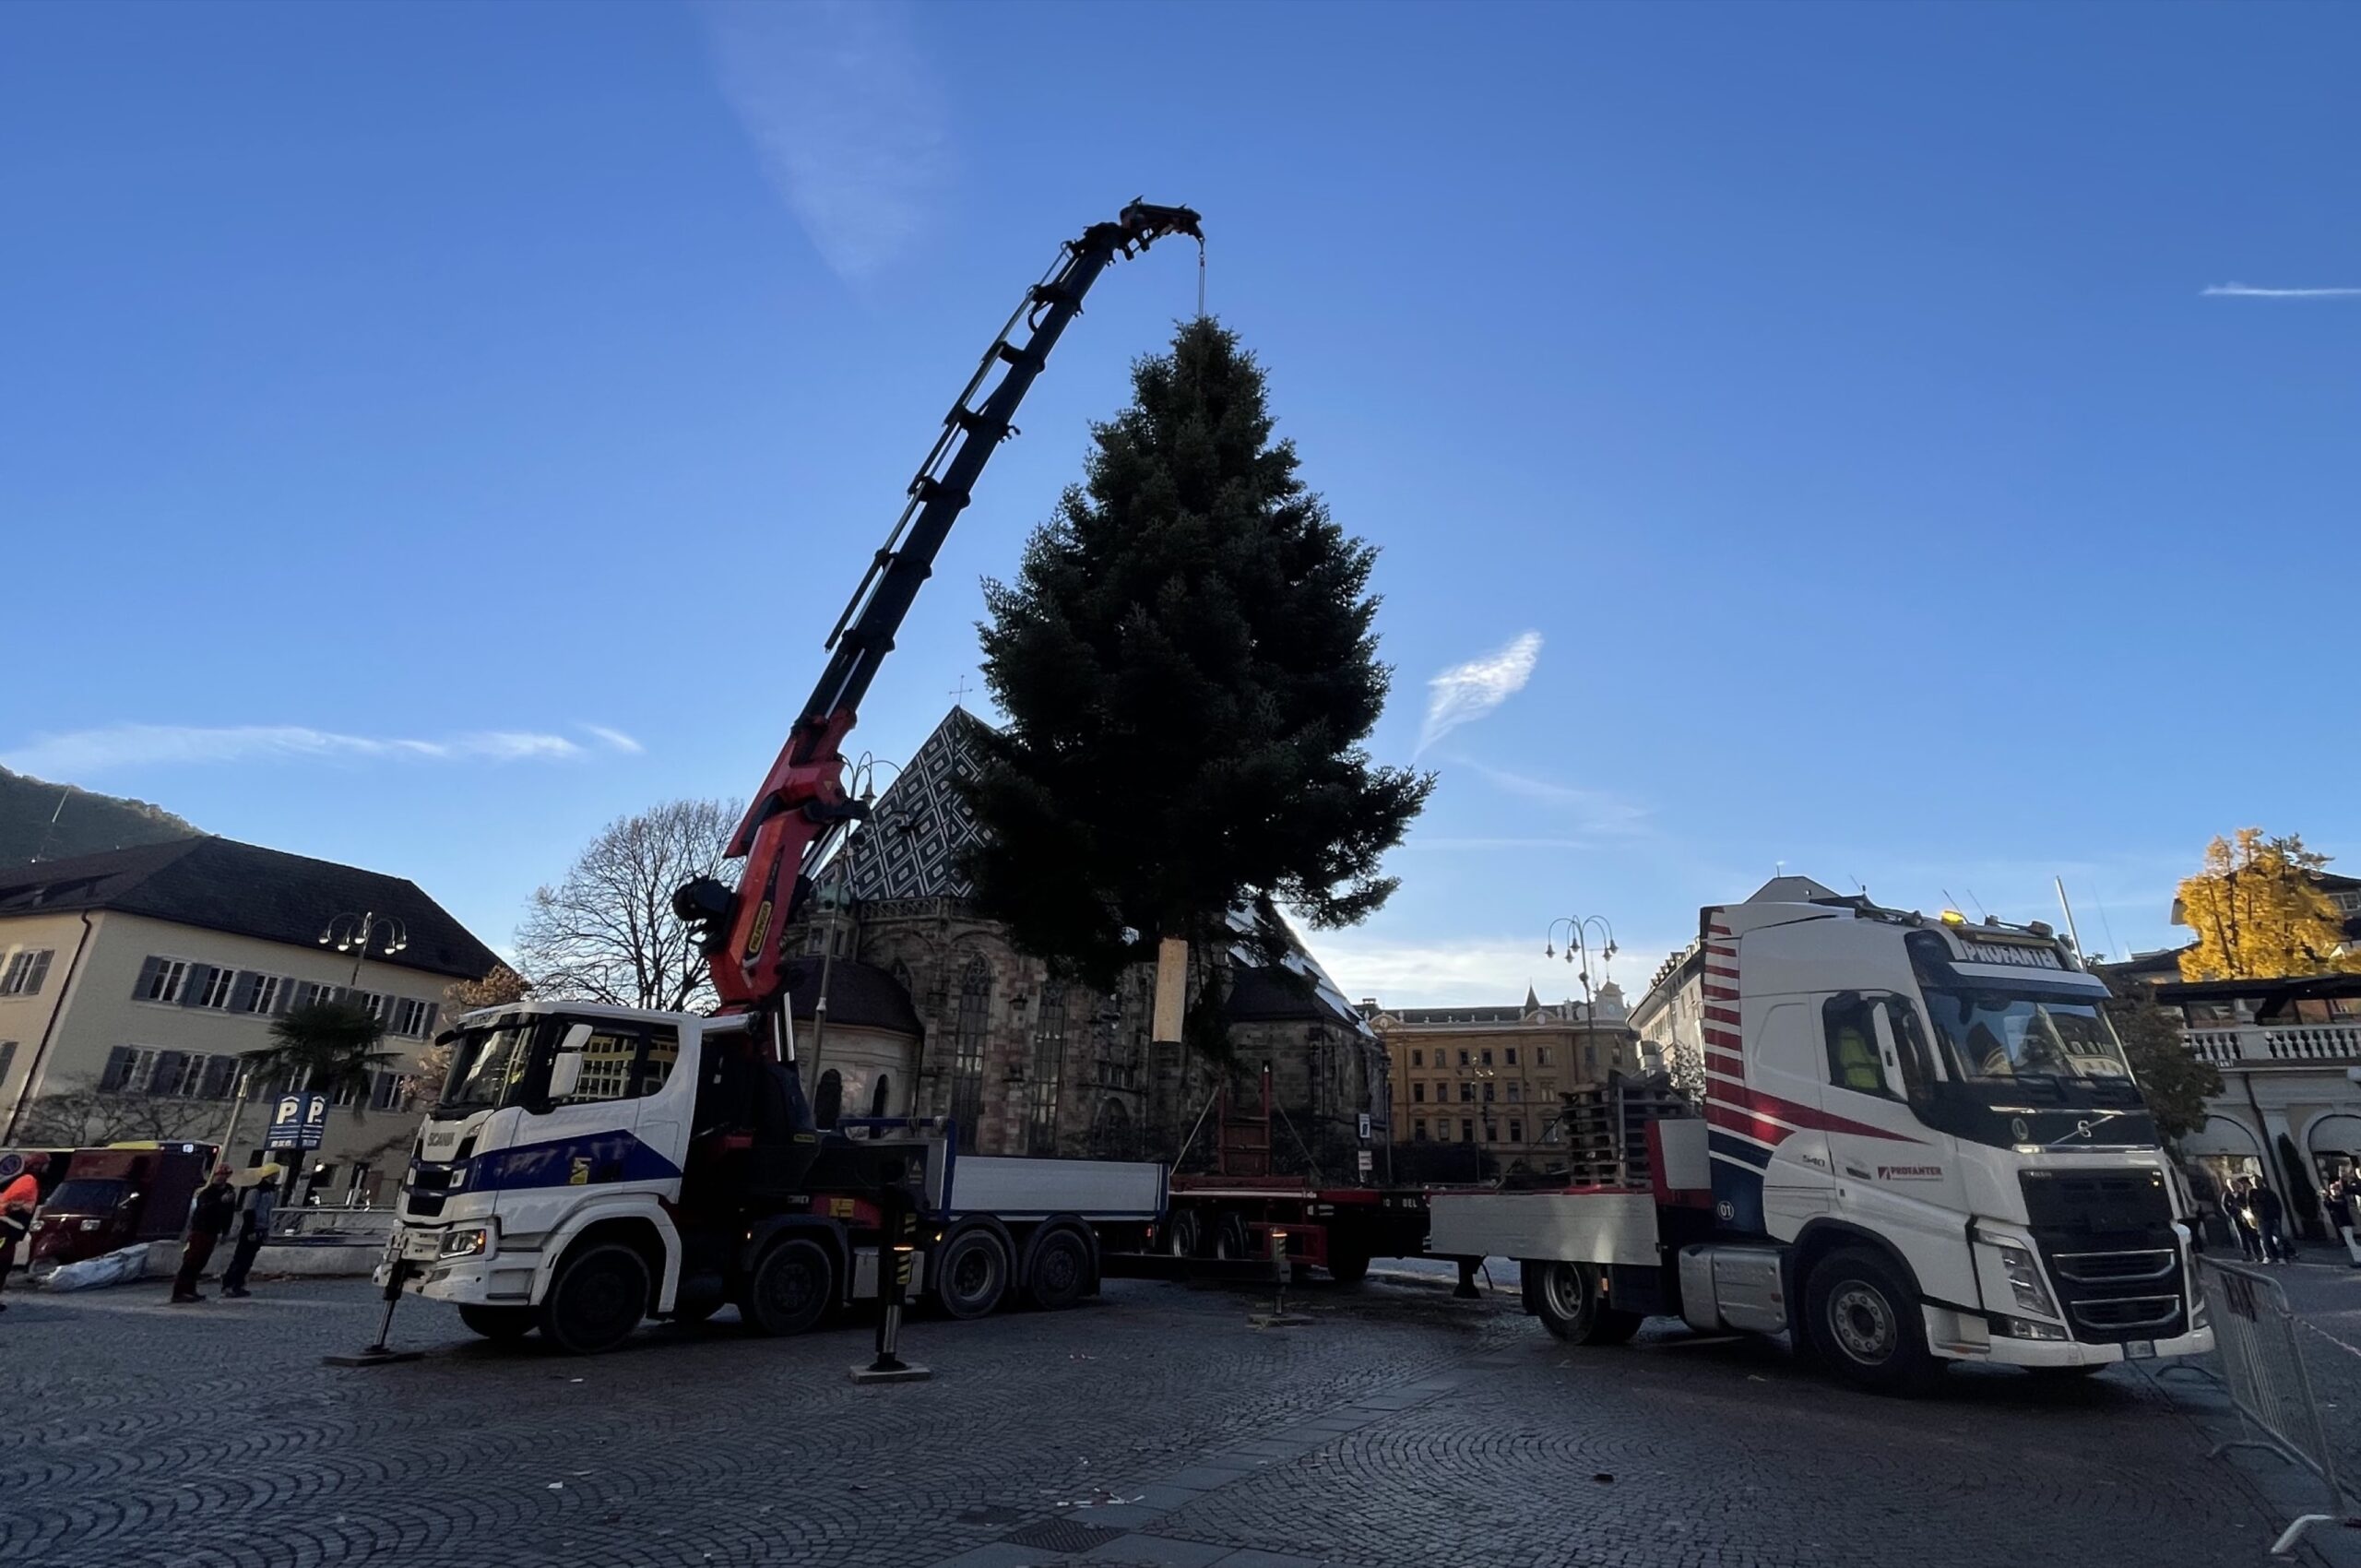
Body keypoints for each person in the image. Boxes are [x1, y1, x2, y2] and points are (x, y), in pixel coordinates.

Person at [172, 1165, 238, 1304]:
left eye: (224, 1175)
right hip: (201, 1229)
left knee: (201, 1262)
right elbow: (202, 1209)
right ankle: (179, 1292)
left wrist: (226, 1231)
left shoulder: (229, 1191)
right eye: (219, 1174)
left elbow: (229, 1213)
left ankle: (190, 1290)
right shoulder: (207, 1192)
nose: (221, 1177)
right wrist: (220, 1201)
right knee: (191, 1261)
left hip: (213, 1230)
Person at [219, 1165, 279, 1299]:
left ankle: (238, 1285)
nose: (277, 1176)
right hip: (252, 1228)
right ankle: (229, 1285)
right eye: (276, 1174)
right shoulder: (255, 1191)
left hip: (261, 1227)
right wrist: (250, 1230)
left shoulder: (270, 1192)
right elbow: (249, 1211)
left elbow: (268, 1212)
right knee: (241, 1258)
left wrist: (267, 1229)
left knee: (248, 1260)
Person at [0, 1153, 50, 1312]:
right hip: (6, 1228)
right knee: (3, 1264)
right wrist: (21, 1206)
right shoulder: (28, 1180)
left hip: (9, 1229)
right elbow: (10, 1202)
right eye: (45, 1164)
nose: (47, 1168)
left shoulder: (24, 1179)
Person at [2248, 1177, 2294, 1265]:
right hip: (2262, 1219)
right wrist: (2255, 1216)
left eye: (2257, 1180)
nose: (2256, 1183)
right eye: (2253, 1181)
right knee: (2266, 1239)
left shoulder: (2269, 1192)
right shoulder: (2252, 1193)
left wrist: (2278, 1217)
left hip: (2272, 1217)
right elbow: (2250, 1205)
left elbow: (2277, 1205)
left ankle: (2281, 1256)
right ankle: (2272, 1256)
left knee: (2278, 1238)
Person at [2223, 1177, 2261, 1263]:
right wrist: (2231, 1214)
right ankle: (2248, 1254)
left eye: (2233, 1184)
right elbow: (2224, 1206)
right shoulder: (2227, 1195)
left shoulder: (2242, 1193)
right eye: (2230, 1184)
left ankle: (2258, 1253)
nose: (2232, 1186)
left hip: (2246, 1217)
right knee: (2242, 1237)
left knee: (2252, 1235)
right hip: (2236, 1218)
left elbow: (2247, 1203)